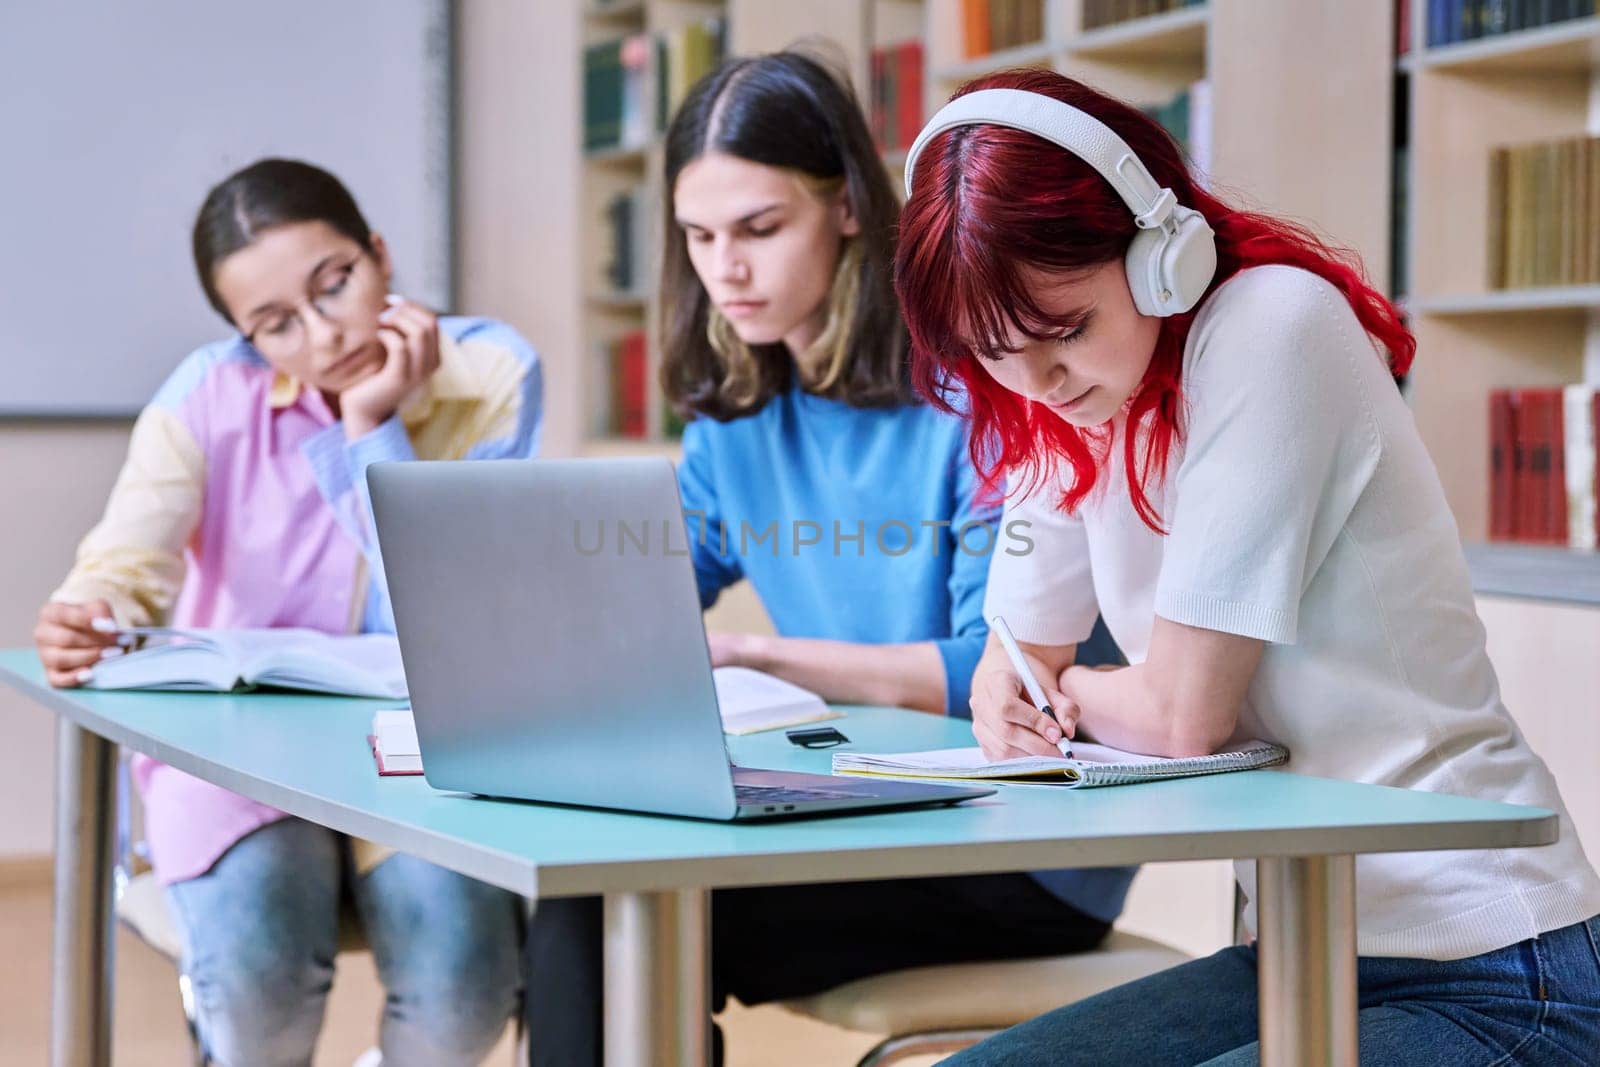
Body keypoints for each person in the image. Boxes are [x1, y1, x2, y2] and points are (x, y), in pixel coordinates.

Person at [892, 69, 1600, 1063]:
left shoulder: (1272, 324)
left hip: (1491, 961)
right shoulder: (1074, 397)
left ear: (1159, 256)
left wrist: (1068, 692)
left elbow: (1184, 715)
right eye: (992, 353)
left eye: (1064, 331)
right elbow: (1016, 655)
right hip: (1299, 943)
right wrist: (1017, 683)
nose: (1036, 382)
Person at [524, 51, 1132, 1065]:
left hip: (1014, 835)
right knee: (572, 894)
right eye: (699, 235)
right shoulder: (741, 411)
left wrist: (759, 655)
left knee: (601, 914)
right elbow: (636, 596)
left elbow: (1005, 670)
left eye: (760, 229)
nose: (726, 269)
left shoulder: (978, 386)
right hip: (859, 801)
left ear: (849, 206)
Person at [34, 159, 540, 1067]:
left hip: (425, 756)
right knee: (260, 979)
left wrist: (372, 424)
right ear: (241, 334)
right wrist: (88, 608)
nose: (321, 335)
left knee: (464, 980)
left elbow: (452, 608)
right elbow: (126, 561)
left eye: (335, 284)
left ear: (379, 254)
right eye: (275, 325)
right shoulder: (206, 393)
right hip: (241, 761)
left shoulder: (489, 373)